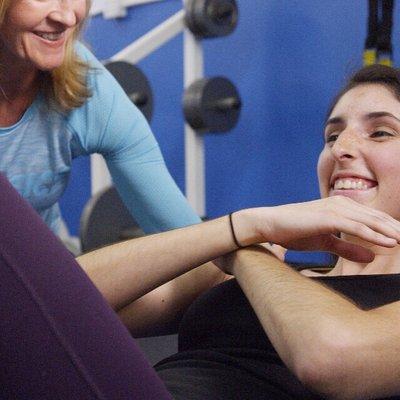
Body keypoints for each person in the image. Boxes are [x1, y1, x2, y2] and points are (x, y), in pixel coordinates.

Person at [2, 64, 400, 400]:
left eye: (380, 132)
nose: (340, 148)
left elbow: (331, 357)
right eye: (331, 136)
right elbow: (47, 305)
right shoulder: (261, 261)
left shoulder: (256, 264)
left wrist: (247, 249)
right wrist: (237, 228)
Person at [0, 0, 200, 241]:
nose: (68, 17)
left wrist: (234, 247)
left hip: (43, 262)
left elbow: (181, 233)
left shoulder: (80, 78)